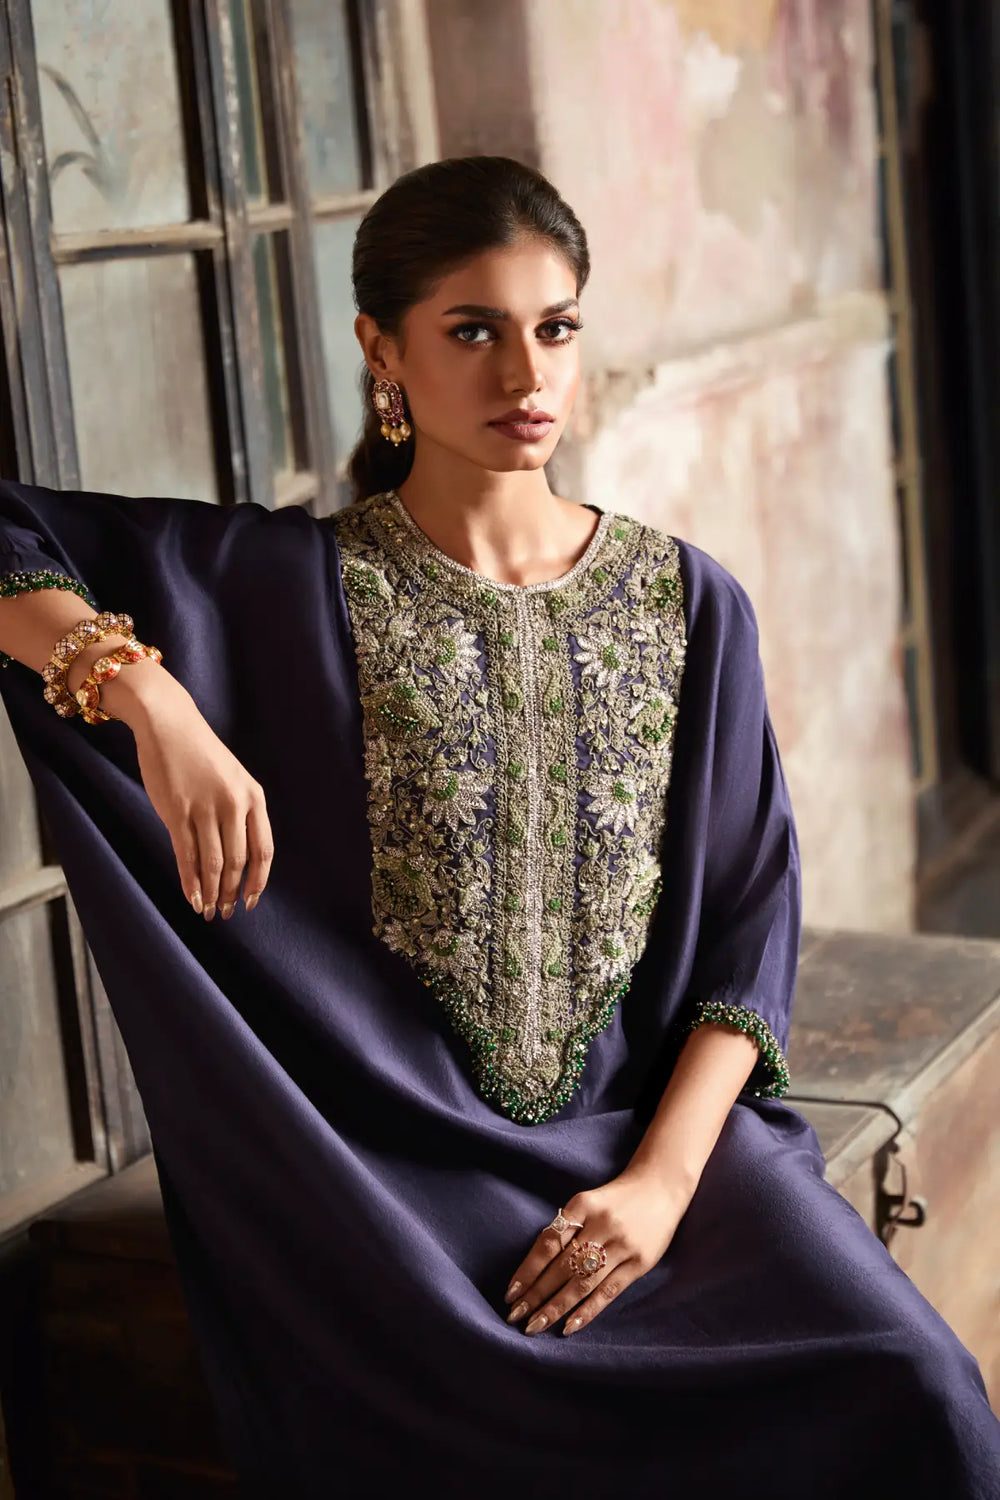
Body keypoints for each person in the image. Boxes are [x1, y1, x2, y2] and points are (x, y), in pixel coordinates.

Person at [0, 155, 997, 1499]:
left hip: (665, 1149)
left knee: (915, 1385)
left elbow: (746, 941)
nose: (525, 373)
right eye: (472, 330)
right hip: (395, 1183)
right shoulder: (274, 587)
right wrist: (149, 699)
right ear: (383, 350)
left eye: (556, 327)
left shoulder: (689, 604)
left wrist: (655, 1190)